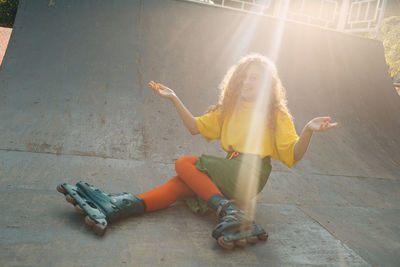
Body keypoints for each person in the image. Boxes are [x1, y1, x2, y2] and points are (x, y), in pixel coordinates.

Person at [57, 53, 338, 249]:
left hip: (251, 172)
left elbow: (293, 155)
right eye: (243, 78)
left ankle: (228, 210)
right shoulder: (228, 109)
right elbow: (194, 127)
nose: (246, 83)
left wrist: (309, 131)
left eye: (254, 79)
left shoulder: (275, 114)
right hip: (229, 168)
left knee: (185, 163)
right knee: (180, 185)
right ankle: (119, 207)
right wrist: (175, 98)